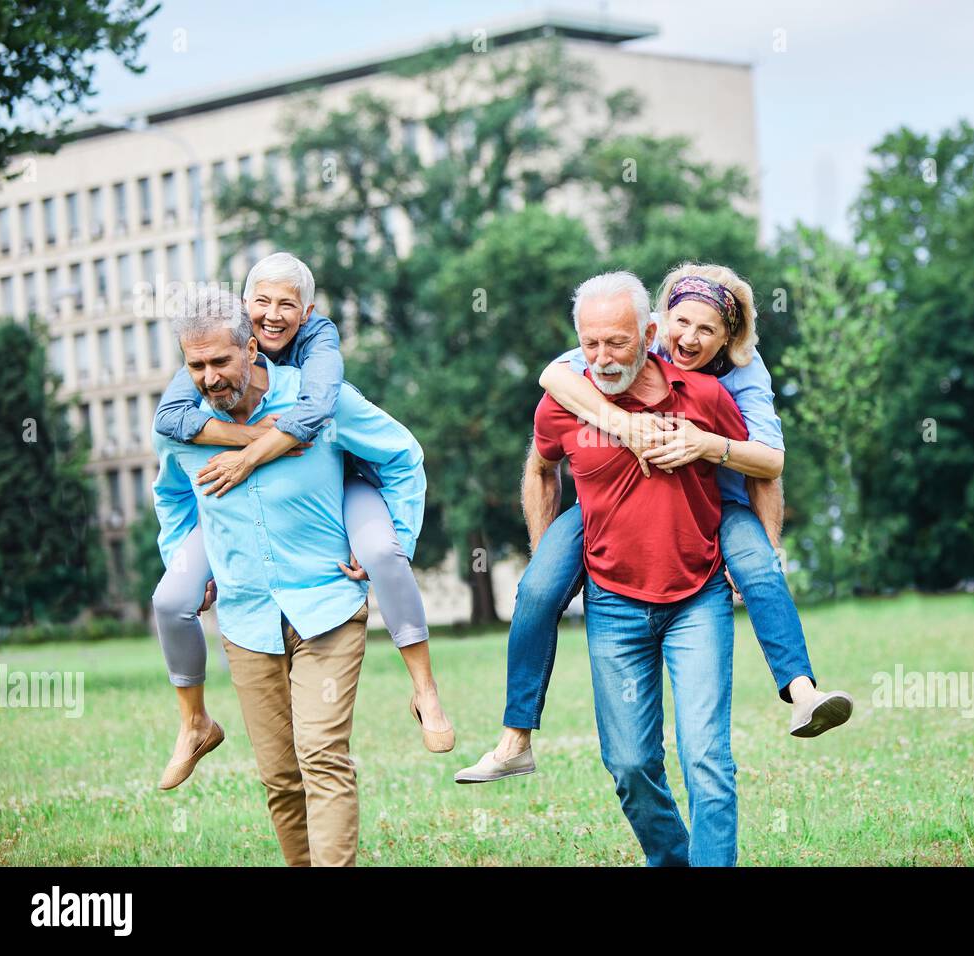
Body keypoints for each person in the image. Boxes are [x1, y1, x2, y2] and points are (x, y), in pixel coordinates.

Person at [460, 262, 851, 783]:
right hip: (609, 506)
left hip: (721, 501)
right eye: (681, 322)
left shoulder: (742, 375)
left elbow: (770, 464)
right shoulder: (636, 343)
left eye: (707, 329)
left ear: (728, 338)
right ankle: (515, 739)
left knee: (759, 568)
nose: (689, 337)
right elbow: (554, 376)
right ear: (661, 322)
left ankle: (803, 694)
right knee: (537, 588)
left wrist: (710, 447)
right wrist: (623, 426)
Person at [463, 272, 746, 864]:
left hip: (698, 598)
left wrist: (758, 554)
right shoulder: (564, 400)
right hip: (614, 605)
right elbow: (541, 468)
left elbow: (756, 468)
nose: (602, 357)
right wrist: (546, 551)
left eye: (616, 342)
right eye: (589, 343)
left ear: (649, 333)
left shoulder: (702, 394)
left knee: (706, 759)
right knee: (628, 764)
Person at [150, 253, 452, 791]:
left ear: (306, 310)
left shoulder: (319, 348)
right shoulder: (208, 361)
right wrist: (190, 558)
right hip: (234, 540)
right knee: (170, 600)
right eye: (261, 302)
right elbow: (169, 439)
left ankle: (425, 690)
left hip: (346, 480)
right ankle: (194, 722)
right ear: (243, 309)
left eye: (286, 304)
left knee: (383, 555)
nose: (272, 315)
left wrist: (253, 454)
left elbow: (318, 415)